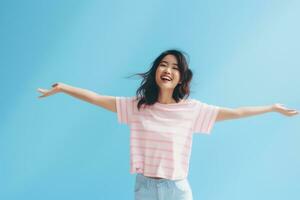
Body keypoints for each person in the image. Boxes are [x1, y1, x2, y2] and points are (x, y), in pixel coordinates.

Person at [37, 49, 298, 200]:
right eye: (163, 64)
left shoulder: (191, 110)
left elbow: (237, 112)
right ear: (155, 73)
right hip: (145, 187)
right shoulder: (137, 106)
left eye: (175, 67)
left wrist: (272, 108)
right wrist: (64, 88)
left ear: (180, 78)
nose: (168, 70)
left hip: (177, 188)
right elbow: (96, 98)